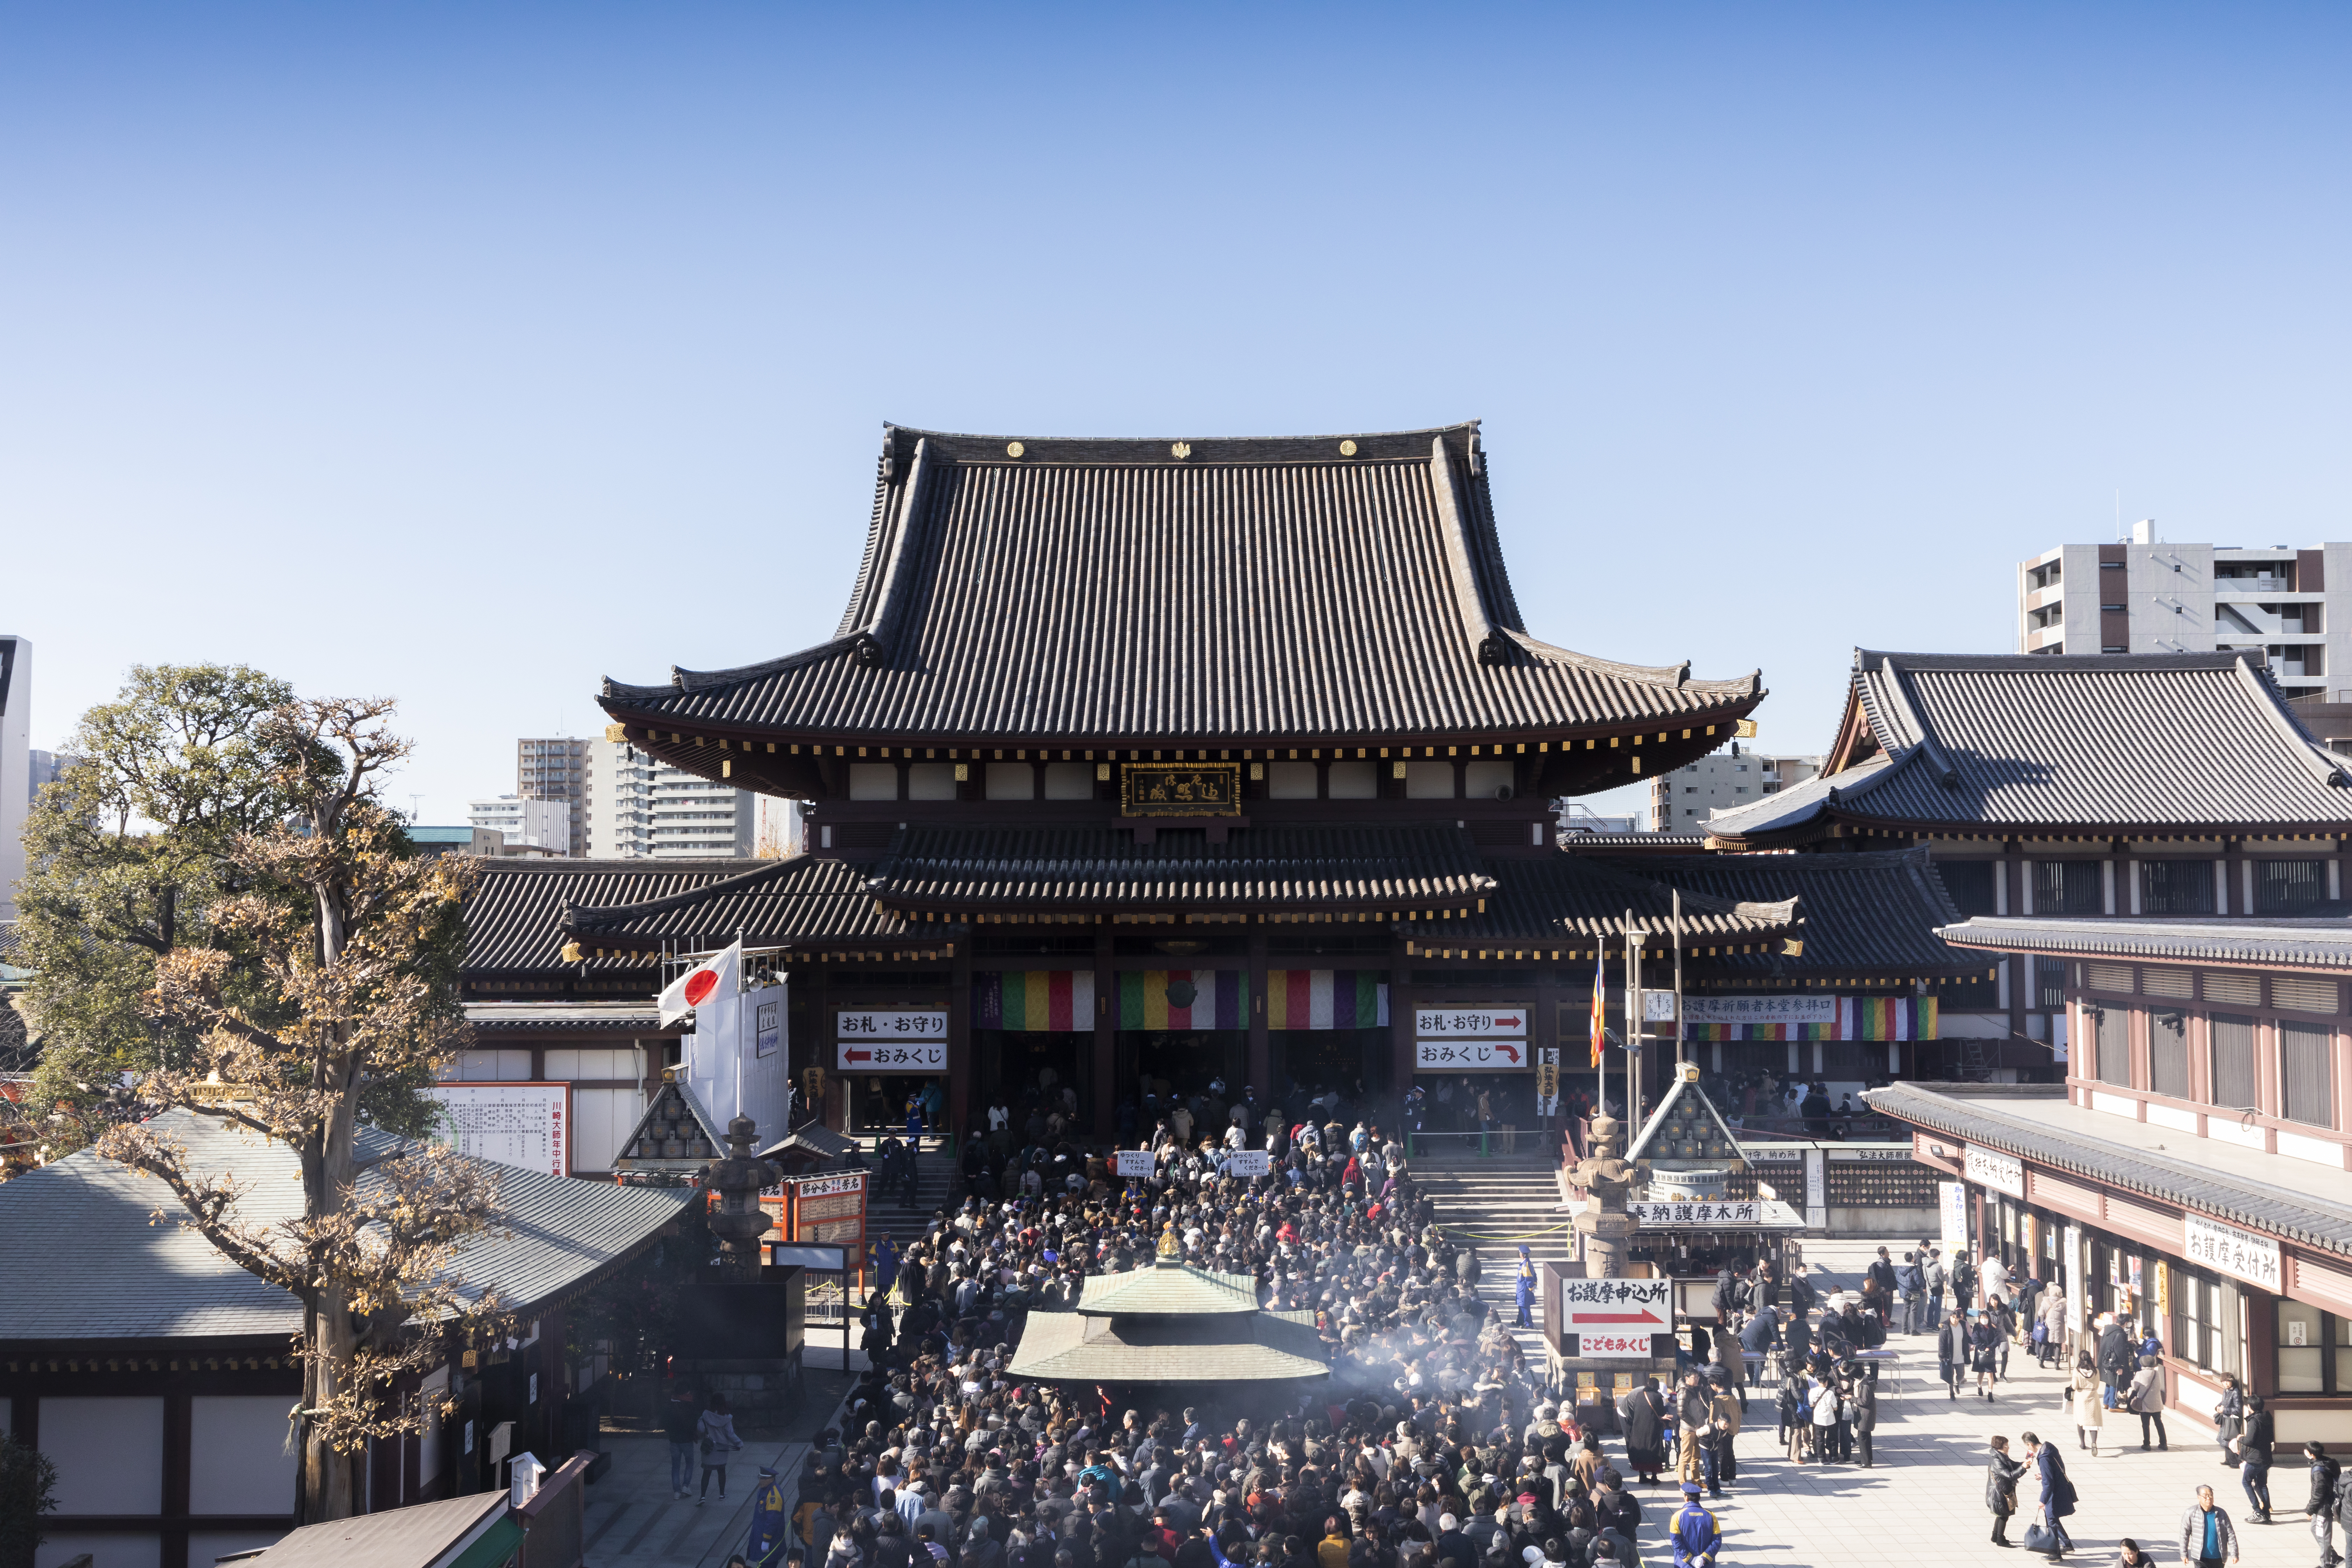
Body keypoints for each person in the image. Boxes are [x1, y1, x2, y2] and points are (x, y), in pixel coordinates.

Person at [2024, 1431, 2076, 1558]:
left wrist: (2043, 1500)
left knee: (2051, 1521)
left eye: (2027, 1446)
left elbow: (2049, 1484)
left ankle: (2055, 1554)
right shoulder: (2050, 1448)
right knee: (2053, 1518)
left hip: (2054, 1493)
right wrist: (2045, 1475)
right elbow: (2058, 1469)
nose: (2028, 1449)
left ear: (2031, 1445)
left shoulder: (2044, 1458)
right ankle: (2067, 1545)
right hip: (2060, 1488)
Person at [699, 1392, 744, 1504]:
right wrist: (739, 1444)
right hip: (721, 1449)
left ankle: (703, 1497)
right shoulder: (726, 1418)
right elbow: (730, 1434)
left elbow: (700, 1429)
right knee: (721, 1471)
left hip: (708, 1449)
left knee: (707, 1473)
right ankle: (722, 1494)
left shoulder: (705, 1415)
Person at [2180, 1484, 2240, 1568]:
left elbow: (2230, 1534)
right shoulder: (2191, 1513)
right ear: (2199, 1497)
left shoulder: (2221, 1513)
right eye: (2205, 1496)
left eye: (2211, 1496)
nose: (2209, 1499)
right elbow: (2184, 1535)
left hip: (2219, 1557)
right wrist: (2184, 1554)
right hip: (2200, 1557)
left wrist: (2235, 1554)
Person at [1984, 1435, 2028, 1549]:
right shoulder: (1997, 1460)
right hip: (1999, 1494)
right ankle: (2000, 1539)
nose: (2008, 1448)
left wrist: (2025, 1464)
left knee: (2001, 1515)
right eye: (2007, 1446)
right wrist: (2023, 1468)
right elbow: (2009, 1475)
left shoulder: (2001, 1456)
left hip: (2003, 1491)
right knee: (2004, 1516)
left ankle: (1995, 1536)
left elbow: (2013, 1465)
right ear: (2001, 1447)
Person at [2238, 1394, 2275, 1522]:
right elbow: (2271, 1438)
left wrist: (2240, 1438)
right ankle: (2266, 1514)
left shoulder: (2254, 1421)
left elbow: (2249, 1440)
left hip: (2255, 1459)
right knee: (2262, 1485)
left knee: (2246, 1482)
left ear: (2250, 1407)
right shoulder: (2267, 1418)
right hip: (2266, 1458)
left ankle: (2257, 1511)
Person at [748, 1465, 792, 1568]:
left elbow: (772, 1521)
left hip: (770, 1541)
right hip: (760, 1537)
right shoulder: (764, 1490)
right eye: (760, 1478)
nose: (761, 1481)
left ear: (771, 1479)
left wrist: (766, 1540)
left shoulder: (774, 1496)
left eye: (764, 1479)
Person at [2305, 1442, 2341, 1568]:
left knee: (2323, 1536)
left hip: (2324, 1507)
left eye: (2307, 1450)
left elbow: (2318, 1493)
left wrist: (2310, 1510)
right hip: (2323, 1505)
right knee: (2315, 1530)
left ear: (2312, 1454)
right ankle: (2335, 1557)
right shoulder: (2326, 1462)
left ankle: (2326, 1564)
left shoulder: (2319, 1471)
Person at [1668, 1482, 1720, 1568]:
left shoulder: (1677, 1516)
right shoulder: (1711, 1516)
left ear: (1687, 1498)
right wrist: (1704, 1558)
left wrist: (1690, 1559)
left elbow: (1676, 1541)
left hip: (1685, 1565)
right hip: (1706, 1565)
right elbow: (1717, 1541)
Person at [664, 1387, 702, 1500]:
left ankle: (677, 1491)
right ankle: (686, 1485)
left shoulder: (670, 1407)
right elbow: (693, 1423)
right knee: (690, 1463)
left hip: (674, 1440)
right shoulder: (689, 1407)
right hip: (686, 1440)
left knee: (675, 1465)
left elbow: (666, 1424)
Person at [2126, 1356, 2169, 1452]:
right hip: (2157, 1403)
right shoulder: (2157, 1374)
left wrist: (2133, 1382)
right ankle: (2164, 1444)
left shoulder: (2140, 1374)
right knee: (2159, 1423)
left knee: (2146, 1424)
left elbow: (2135, 1386)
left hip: (2145, 1403)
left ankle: (2147, 1444)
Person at [2071, 1350, 2105, 1456]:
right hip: (2093, 1396)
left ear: (2080, 1359)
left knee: (2080, 1421)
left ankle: (2083, 1443)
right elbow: (2098, 1385)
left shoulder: (2077, 1371)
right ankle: (2094, 1442)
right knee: (2093, 1422)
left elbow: (2074, 1386)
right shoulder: (2096, 1371)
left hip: (2081, 1398)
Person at [1939, 1309, 1971, 1400]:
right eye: (1953, 1317)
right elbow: (1942, 1343)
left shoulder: (1963, 1326)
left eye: (1957, 1318)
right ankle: (1951, 1392)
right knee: (1950, 1375)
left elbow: (1966, 1340)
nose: (1954, 1320)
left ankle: (1956, 1384)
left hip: (1960, 1355)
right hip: (1949, 1356)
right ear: (1950, 1317)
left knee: (1961, 1374)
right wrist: (1942, 1355)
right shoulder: (1946, 1327)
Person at [1515, 1246, 1538, 1330]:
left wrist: (1531, 1287)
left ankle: (1529, 1324)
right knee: (1521, 1305)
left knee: (1525, 1307)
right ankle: (1520, 1321)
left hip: (1524, 1290)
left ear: (1522, 1255)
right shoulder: (1526, 1263)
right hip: (1521, 1289)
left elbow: (1529, 1277)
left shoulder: (1526, 1265)